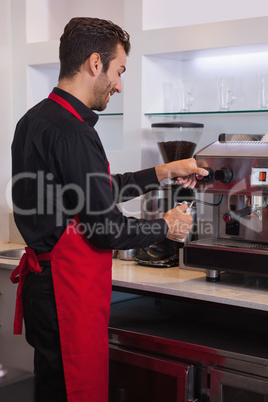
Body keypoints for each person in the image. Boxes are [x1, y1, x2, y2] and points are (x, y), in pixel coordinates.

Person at [10, 17, 208, 402]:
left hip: (44, 288)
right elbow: (107, 230)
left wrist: (162, 172)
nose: (120, 84)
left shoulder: (34, 120)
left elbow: (93, 192)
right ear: (95, 63)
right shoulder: (75, 133)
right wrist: (164, 226)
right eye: (119, 70)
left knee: (53, 388)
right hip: (67, 293)